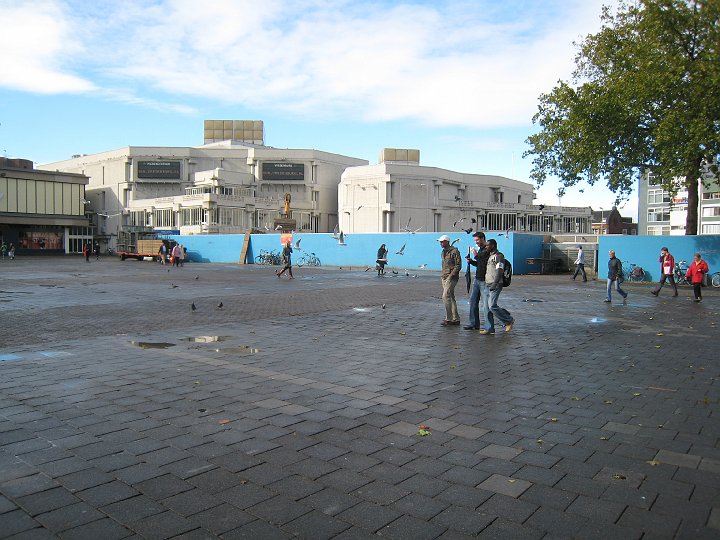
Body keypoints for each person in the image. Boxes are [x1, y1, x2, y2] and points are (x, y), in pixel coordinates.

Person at [480, 239, 514, 334]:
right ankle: (490, 328)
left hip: (495, 284)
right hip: (487, 284)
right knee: (487, 307)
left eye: (488, 245)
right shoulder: (490, 256)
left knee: (492, 306)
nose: (486, 247)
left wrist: (495, 284)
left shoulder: (499, 256)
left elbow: (500, 270)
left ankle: (508, 320)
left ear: (493, 246)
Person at [464, 231, 489, 330]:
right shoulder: (481, 249)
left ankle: (489, 326)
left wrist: (475, 255)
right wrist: (472, 262)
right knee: (473, 301)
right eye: (475, 240)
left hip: (484, 280)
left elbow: (485, 264)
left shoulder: (487, 249)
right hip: (477, 279)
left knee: (486, 305)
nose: (476, 242)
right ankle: (474, 324)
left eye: (477, 240)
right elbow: (479, 264)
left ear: (483, 239)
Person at [438, 234, 462, 326]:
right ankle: (456, 319)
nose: (441, 243)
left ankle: (449, 318)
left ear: (447, 242)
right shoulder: (443, 252)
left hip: (451, 277)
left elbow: (458, 265)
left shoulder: (454, 251)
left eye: (442, 242)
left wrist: (451, 275)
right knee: (451, 297)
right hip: (444, 276)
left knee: (445, 296)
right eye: (440, 242)